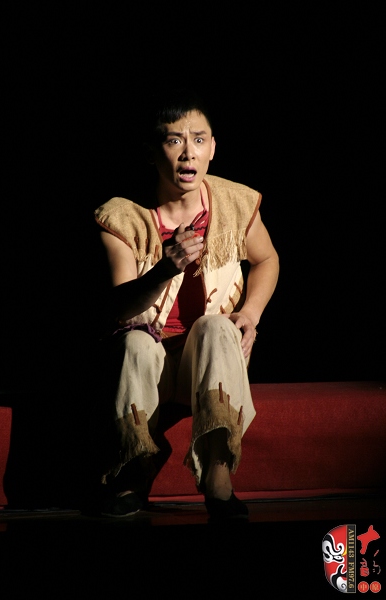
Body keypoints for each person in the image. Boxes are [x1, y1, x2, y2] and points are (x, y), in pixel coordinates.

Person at [93, 90, 279, 521]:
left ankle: (218, 474)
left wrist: (250, 314)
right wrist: (164, 268)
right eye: (174, 140)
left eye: (198, 139)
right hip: (150, 365)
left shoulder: (235, 203)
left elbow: (267, 259)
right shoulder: (123, 216)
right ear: (152, 151)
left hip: (209, 359)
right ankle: (133, 470)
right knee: (135, 343)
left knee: (216, 326)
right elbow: (119, 308)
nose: (187, 152)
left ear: (212, 148)